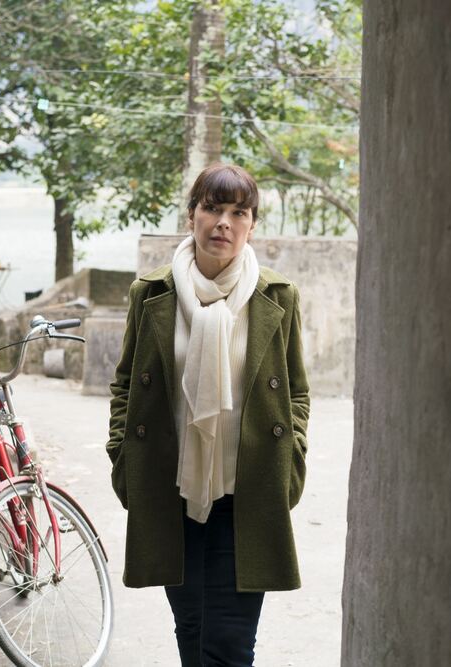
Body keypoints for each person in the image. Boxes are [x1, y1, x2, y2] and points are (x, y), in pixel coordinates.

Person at [106, 163, 310, 666]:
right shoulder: (151, 294)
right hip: (172, 488)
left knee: (231, 643)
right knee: (193, 632)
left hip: (248, 492)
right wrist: (123, 457)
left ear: (252, 225)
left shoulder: (276, 297)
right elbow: (126, 384)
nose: (224, 222)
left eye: (239, 212)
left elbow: (297, 393)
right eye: (212, 208)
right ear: (191, 215)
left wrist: (292, 460)